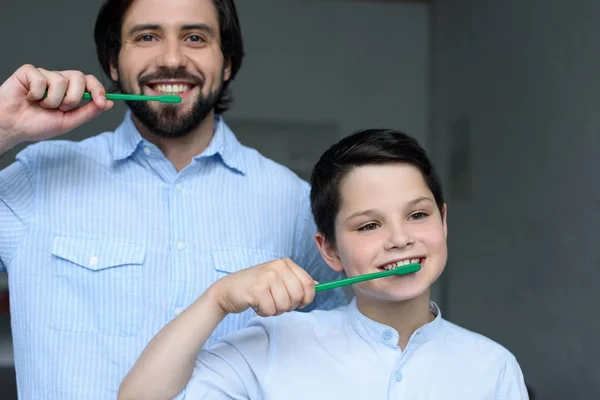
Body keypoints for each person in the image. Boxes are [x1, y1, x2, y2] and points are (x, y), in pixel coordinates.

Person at [0, 0, 345, 398]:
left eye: (195, 37)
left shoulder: (295, 204)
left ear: (228, 62)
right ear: (113, 62)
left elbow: (340, 354)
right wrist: (4, 127)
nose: (171, 58)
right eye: (147, 36)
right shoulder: (36, 179)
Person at [118, 128, 530, 400]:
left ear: (443, 219)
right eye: (369, 224)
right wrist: (217, 300)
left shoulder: (493, 366)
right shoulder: (275, 342)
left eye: (418, 215)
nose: (400, 238)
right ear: (329, 250)